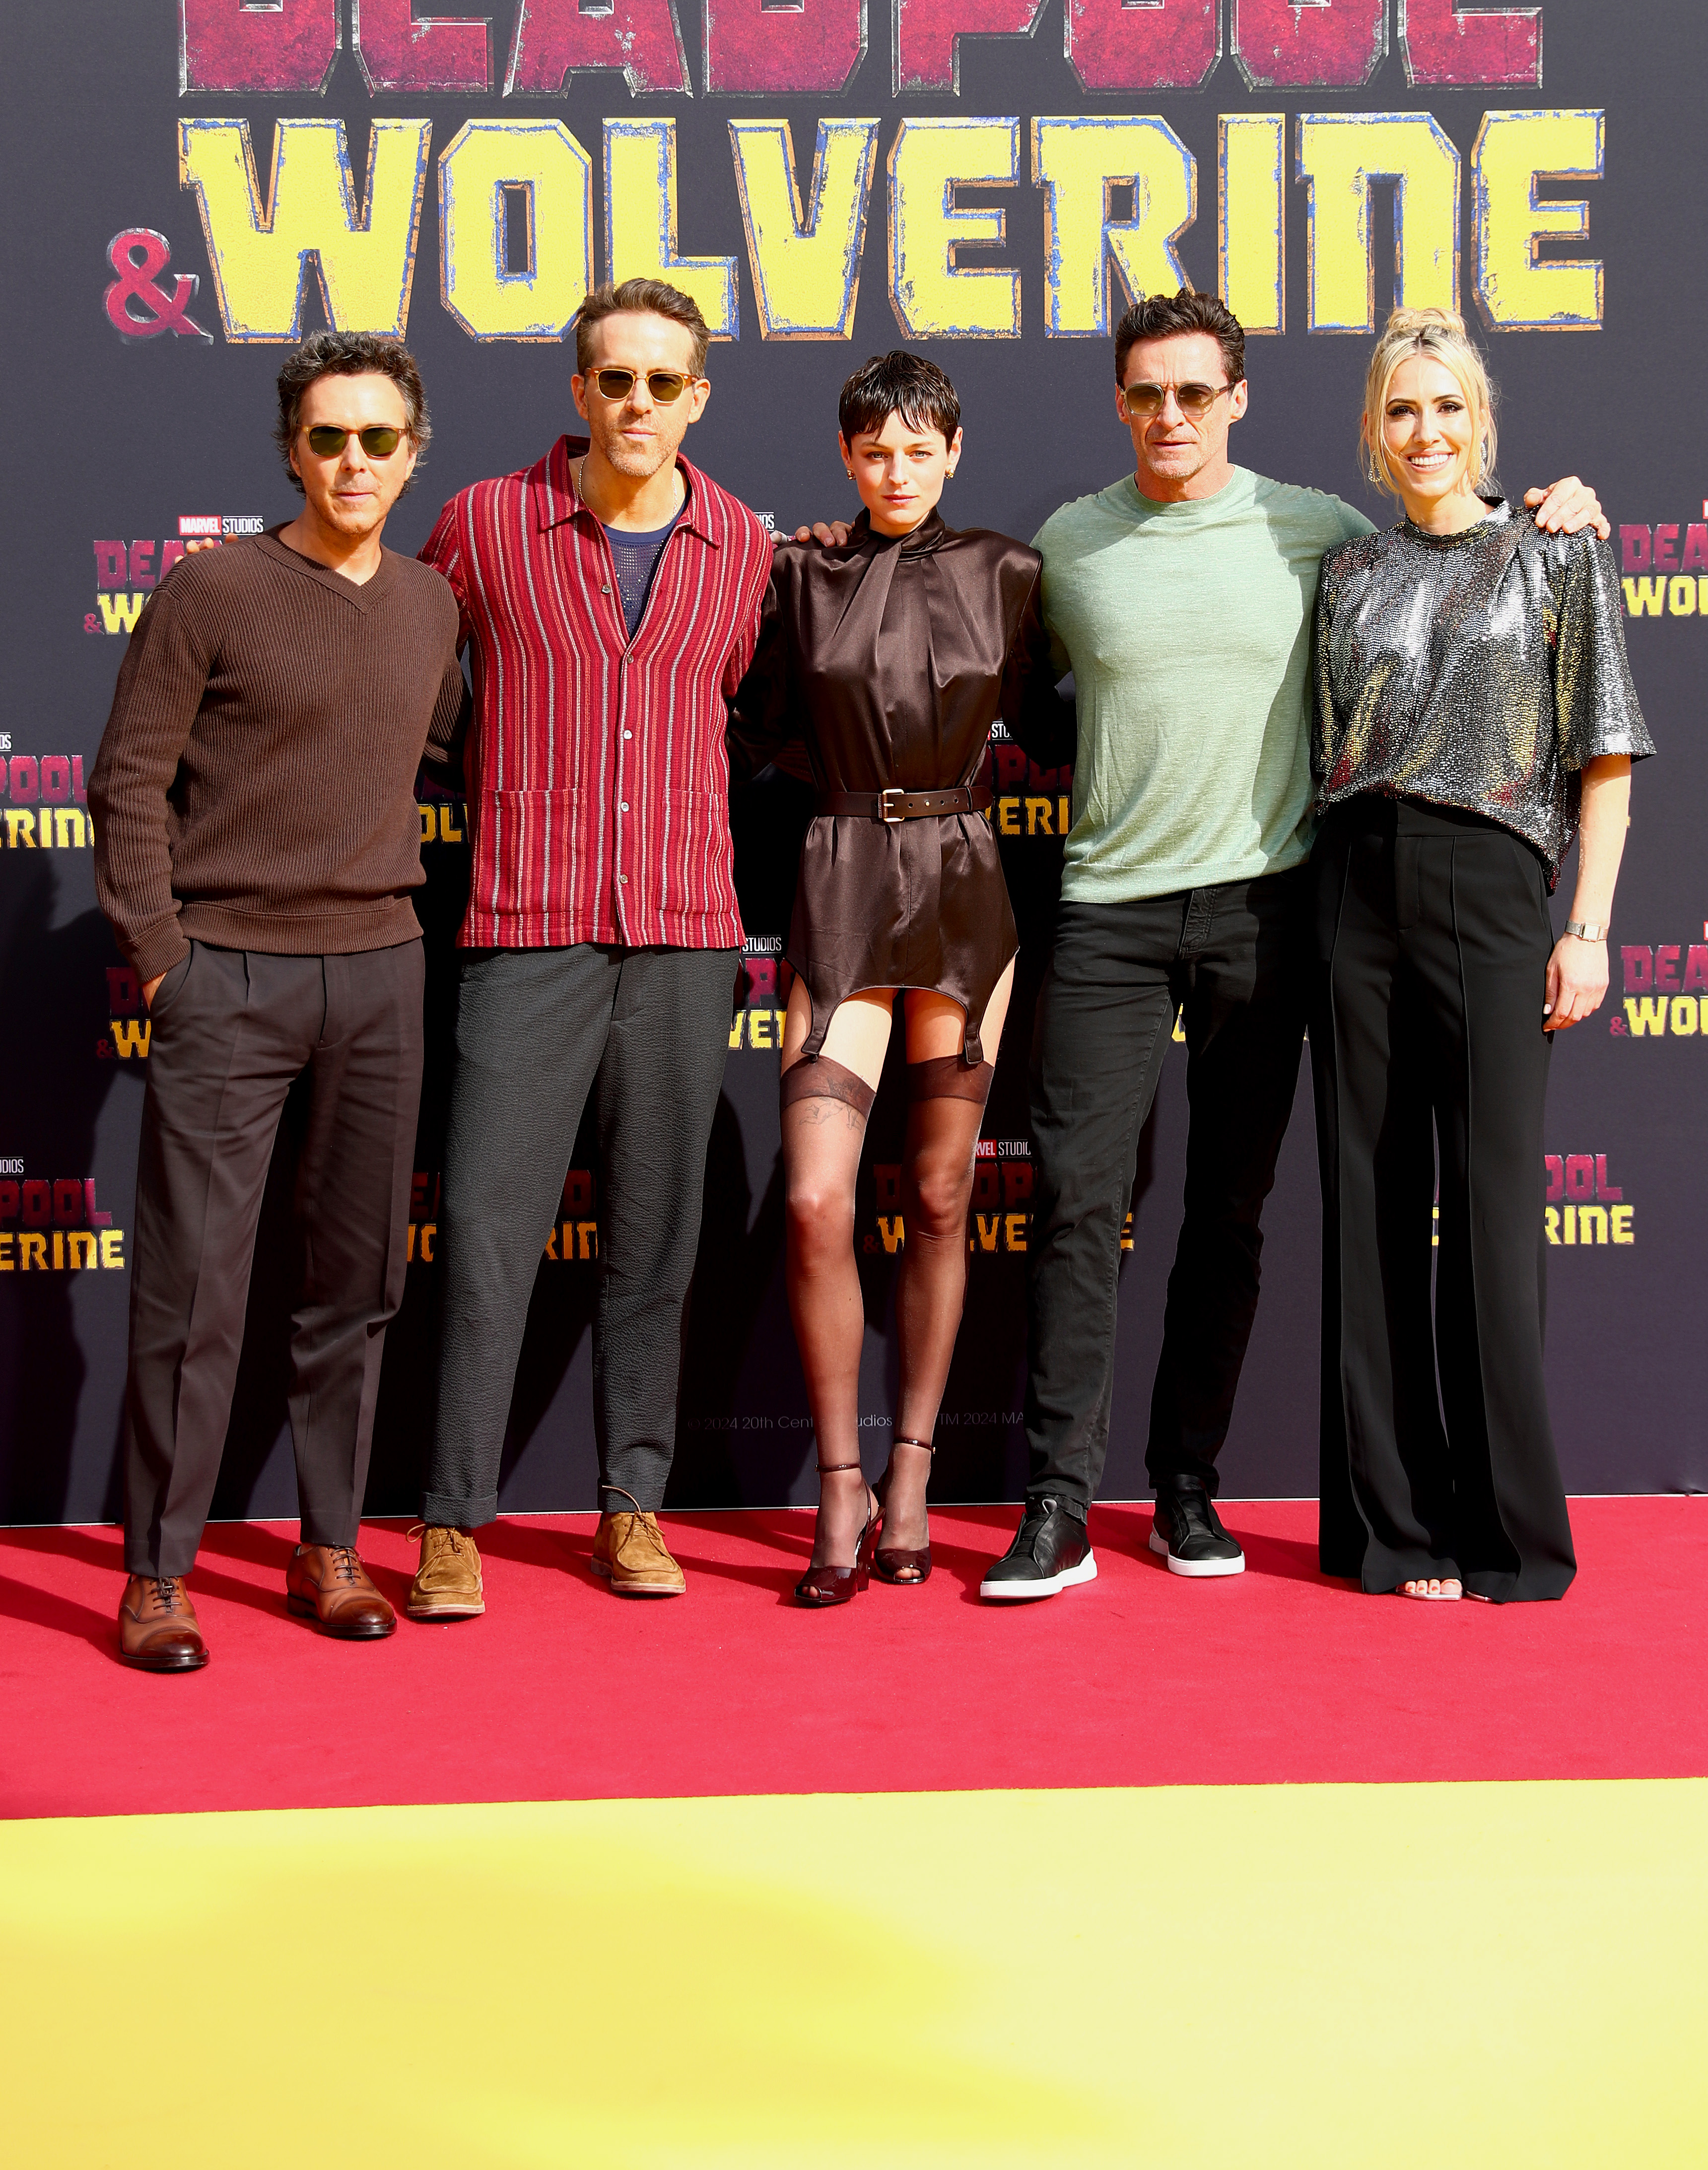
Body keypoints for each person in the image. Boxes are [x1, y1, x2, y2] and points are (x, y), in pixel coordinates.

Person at [978, 286, 1610, 1602]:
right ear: (1118, 400)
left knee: (1241, 1211)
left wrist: (1570, 503)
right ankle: (1063, 1503)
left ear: (1237, 397)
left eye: (1194, 391)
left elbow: (1570, 707)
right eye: (1146, 392)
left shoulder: (1323, 532)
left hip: (1282, 908)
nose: (1170, 414)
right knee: (1093, 1208)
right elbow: (986, 669)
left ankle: (1196, 1490)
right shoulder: (1087, 548)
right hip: (1144, 909)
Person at [88, 332, 464, 1669]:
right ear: (289, 449)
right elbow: (130, 780)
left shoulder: (432, 605)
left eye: (378, 438)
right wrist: (166, 958)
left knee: (355, 1283)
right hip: (227, 975)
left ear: (416, 452)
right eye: (327, 437)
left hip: (381, 973)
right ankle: (157, 1572)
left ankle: (328, 1546)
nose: (352, 460)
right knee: (193, 1288)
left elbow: (458, 751)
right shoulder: (212, 590)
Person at [407, 278, 774, 1619]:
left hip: (680, 933)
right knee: (491, 1233)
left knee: (654, 1240)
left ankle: (634, 1506)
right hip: (525, 927)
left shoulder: (741, 545)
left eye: (662, 383)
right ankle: (453, 1519)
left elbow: (740, 711)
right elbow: (418, 691)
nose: (637, 404)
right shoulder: (484, 524)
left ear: (697, 397)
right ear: (578, 391)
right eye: (613, 380)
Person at [1310, 309, 1651, 1602]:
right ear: (1371, 434)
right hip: (1356, 882)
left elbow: (1603, 759)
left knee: (1495, 1220)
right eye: (1401, 410)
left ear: (1483, 425)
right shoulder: (1344, 575)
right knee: (1369, 1211)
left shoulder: (1556, 552)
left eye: (1446, 407)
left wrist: (1589, 928)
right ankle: (1392, 1531)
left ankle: (1510, 1534)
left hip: (1500, 885)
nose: (1425, 431)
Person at [730, 351, 1071, 1603]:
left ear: (954, 450)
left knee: (939, 1199)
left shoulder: (1011, 572)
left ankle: (913, 1471)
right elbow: (749, 717)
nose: (895, 470)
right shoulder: (797, 572)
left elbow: (1067, 719)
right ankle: (839, 1482)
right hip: (833, 880)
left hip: (968, 887)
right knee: (819, 1200)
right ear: (844, 453)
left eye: (918, 448)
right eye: (874, 449)